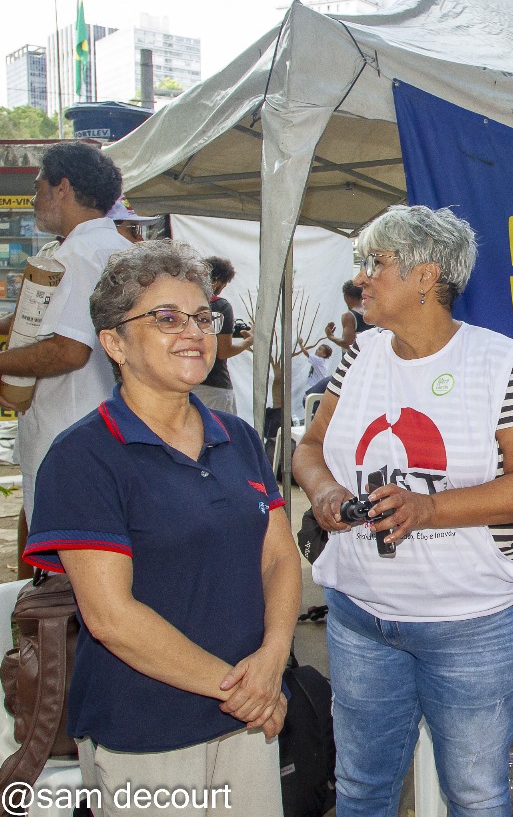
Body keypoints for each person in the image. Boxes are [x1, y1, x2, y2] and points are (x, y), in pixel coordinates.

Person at [293, 205, 513, 815]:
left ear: (425, 276)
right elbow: (309, 449)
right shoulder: (360, 356)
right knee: (361, 786)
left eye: (375, 263)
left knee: (472, 792)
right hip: (361, 617)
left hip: (475, 624)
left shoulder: (500, 364)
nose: (361, 276)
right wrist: (326, 492)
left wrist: (427, 508)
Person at [23, 240, 301, 816]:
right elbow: (111, 617)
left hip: (250, 718)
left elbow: (278, 558)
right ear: (114, 343)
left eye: (203, 317)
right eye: (166, 318)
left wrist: (272, 660)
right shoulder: (85, 457)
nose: (194, 332)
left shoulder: (239, 437)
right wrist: (243, 690)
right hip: (147, 732)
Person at [0, 141, 131, 579]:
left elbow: (70, 350)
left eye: (38, 186)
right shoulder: (115, 248)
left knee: (66, 571)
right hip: (105, 426)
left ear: (62, 187)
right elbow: (37, 321)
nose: (35, 197)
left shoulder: (77, 255)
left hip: (70, 430)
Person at [192, 256, 252, 414]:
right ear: (217, 281)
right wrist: (248, 342)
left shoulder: (185, 304)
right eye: (225, 283)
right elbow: (223, 351)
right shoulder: (220, 306)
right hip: (214, 385)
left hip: (187, 382)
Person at [325, 280, 373, 349]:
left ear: (346, 296)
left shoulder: (349, 316)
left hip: (356, 357)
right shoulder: (370, 310)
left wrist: (331, 337)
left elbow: (347, 344)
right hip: (371, 355)